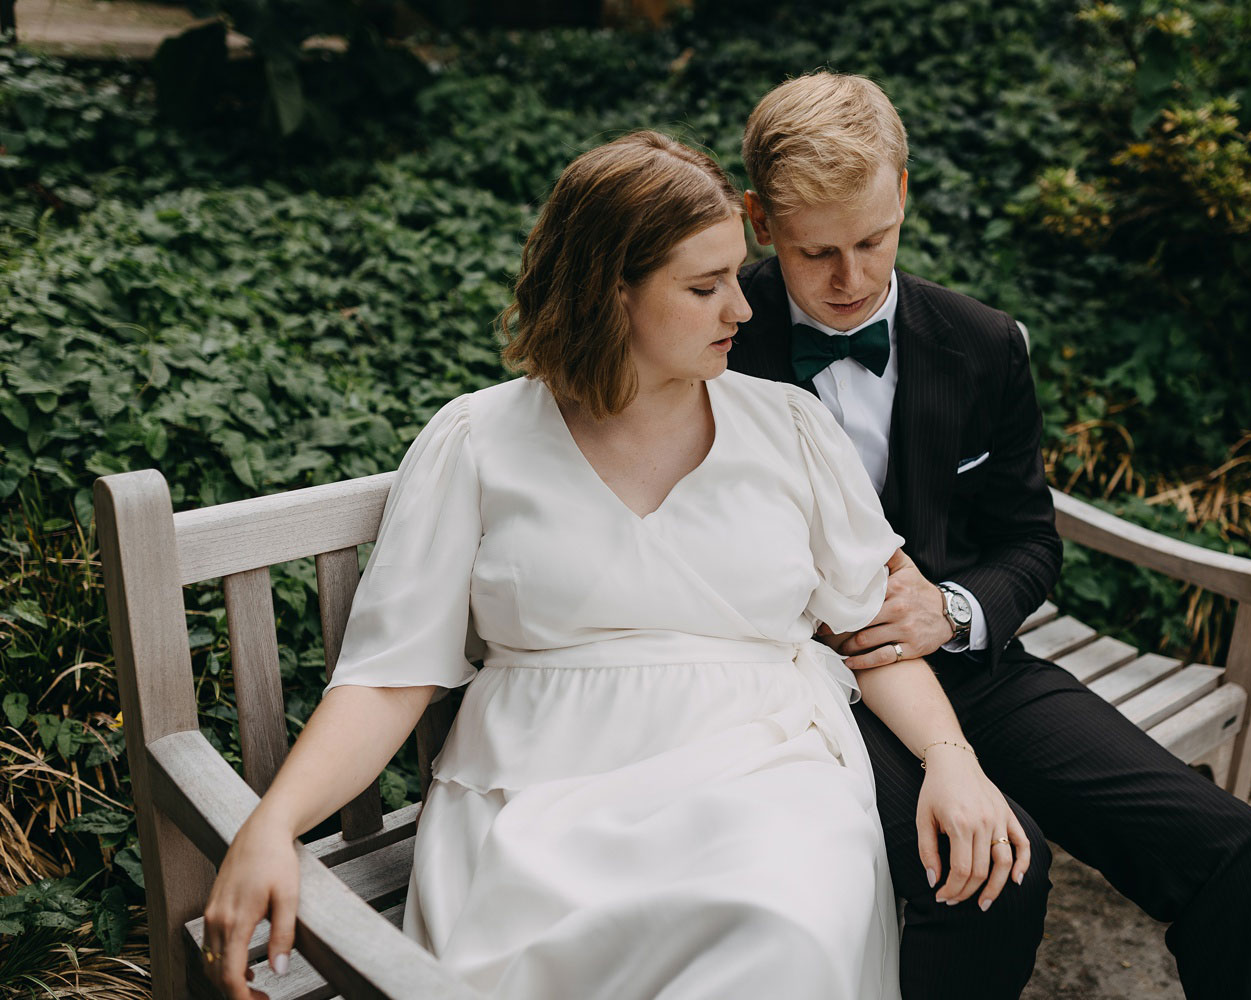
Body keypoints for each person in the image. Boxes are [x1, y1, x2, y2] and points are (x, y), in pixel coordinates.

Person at [199, 130, 1031, 1000]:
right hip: (534, 796)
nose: (742, 313)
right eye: (705, 288)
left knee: (780, 931)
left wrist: (950, 758)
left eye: (732, 279)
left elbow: (873, 627)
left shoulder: (787, 429)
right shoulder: (479, 441)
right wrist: (275, 825)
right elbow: (387, 677)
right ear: (610, 294)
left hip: (766, 777)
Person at [729, 71, 1251, 1000]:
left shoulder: (982, 343)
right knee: (993, 869)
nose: (850, 280)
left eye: (874, 241)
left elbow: (1029, 542)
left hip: (973, 668)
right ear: (762, 223)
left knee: (1231, 846)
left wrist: (952, 611)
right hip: (808, 695)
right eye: (816, 253)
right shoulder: (714, 337)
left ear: (905, 195)